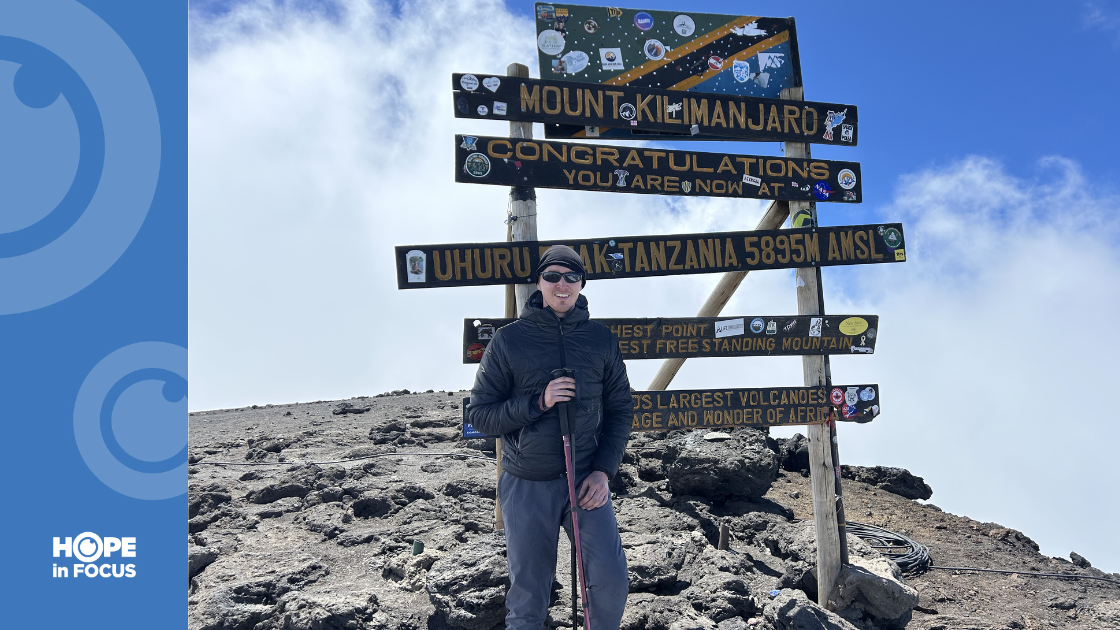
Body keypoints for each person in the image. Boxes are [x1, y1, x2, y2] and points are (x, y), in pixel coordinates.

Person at [467, 245, 632, 630]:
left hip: (586, 481)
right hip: (526, 484)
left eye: (571, 277)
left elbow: (621, 409)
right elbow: (480, 415)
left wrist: (603, 472)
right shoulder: (508, 341)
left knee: (610, 582)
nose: (562, 285)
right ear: (539, 282)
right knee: (528, 598)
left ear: (582, 284)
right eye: (553, 276)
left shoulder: (601, 340)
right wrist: (538, 402)